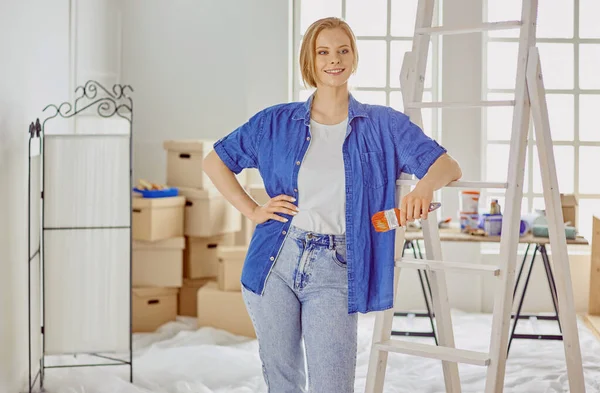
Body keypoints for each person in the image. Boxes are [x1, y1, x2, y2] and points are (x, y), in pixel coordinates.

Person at [203, 16, 462, 393]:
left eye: (342, 50)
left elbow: (446, 165)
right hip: (276, 259)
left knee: (333, 385)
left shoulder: (383, 124)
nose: (333, 60)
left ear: (353, 58)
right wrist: (254, 210)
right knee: (283, 381)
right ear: (310, 60)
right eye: (323, 52)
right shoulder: (275, 122)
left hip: (337, 268)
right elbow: (215, 161)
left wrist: (423, 189)